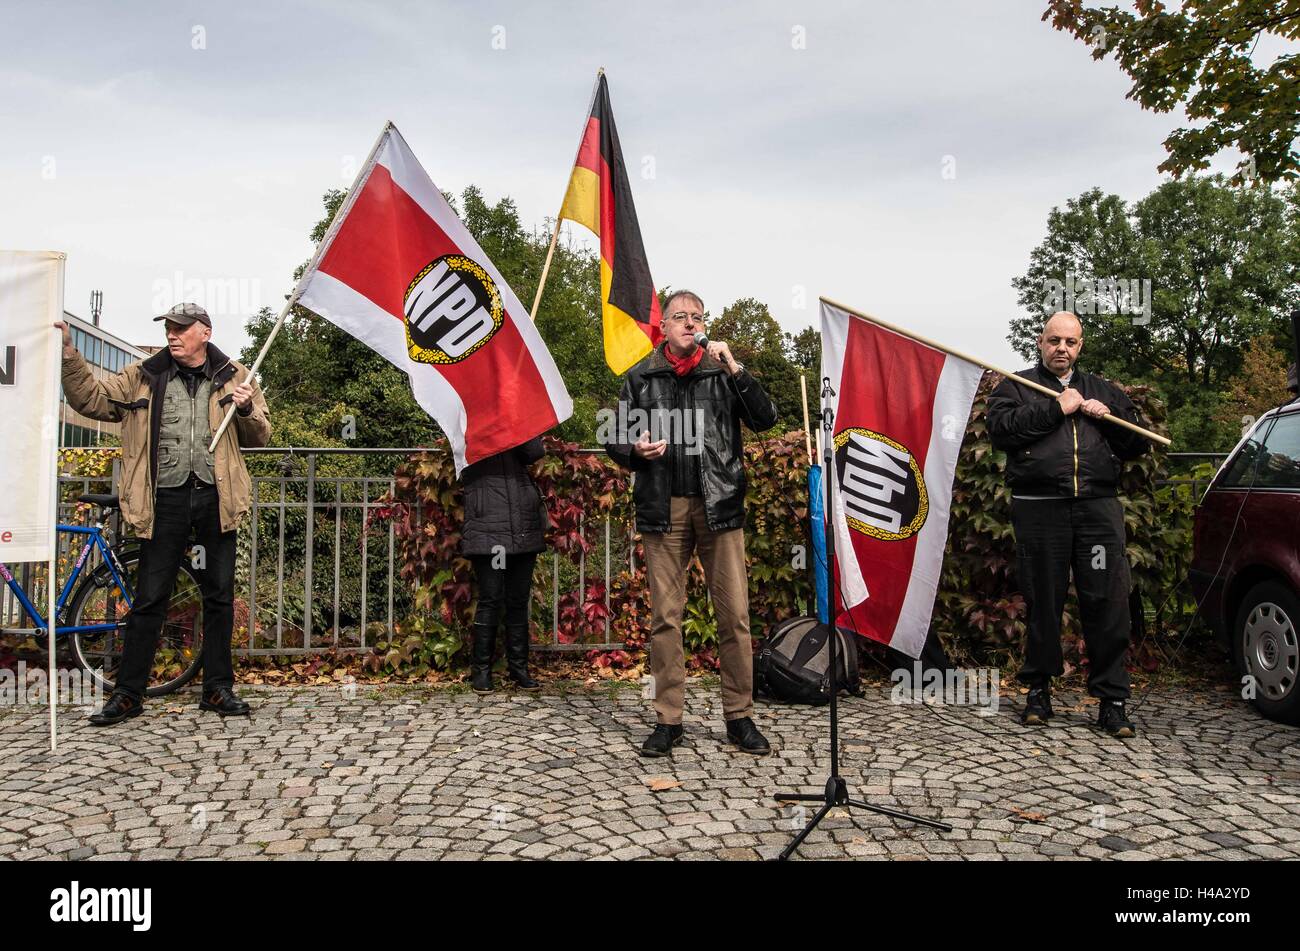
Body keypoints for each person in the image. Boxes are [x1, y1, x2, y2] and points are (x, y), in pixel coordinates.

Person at [56, 302, 270, 725]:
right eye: (169, 328)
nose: (173, 334)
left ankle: (217, 689)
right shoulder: (143, 375)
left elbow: (260, 436)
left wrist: (244, 409)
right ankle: (129, 694)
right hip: (162, 501)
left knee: (219, 596)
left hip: (215, 498)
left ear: (204, 332)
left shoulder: (236, 375)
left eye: (181, 328)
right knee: (150, 598)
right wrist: (68, 353)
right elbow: (92, 400)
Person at [603, 289, 779, 757]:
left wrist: (736, 369)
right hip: (664, 508)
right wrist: (633, 449)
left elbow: (765, 418)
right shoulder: (641, 376)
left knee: (735, 616)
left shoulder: (722, 373)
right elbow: (613, 438)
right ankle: (668, 720)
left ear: (704, 324)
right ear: (663, 326)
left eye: (696, 316)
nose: (688, 322)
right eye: (679, 316)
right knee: (666, 617)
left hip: (719, 506)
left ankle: (739, 717)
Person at [986, 311, 1150, 738]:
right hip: (1040, 510)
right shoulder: (1016, 386)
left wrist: (1110, 417)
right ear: (1040, 343)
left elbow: (1137, 446)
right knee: (1043, 601)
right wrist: (1055, 408)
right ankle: (1038, 692)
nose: (1062, 348)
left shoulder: (1103, 390)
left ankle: (1112, 701)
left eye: (1071, 342)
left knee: (1107, 602)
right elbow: (1002, 431)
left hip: (1097, 510)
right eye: (1054, 340)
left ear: (1080, 347)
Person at [459, 436, 548, 693]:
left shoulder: (518, 417)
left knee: (518, 599)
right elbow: (465, 454)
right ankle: (482, 670)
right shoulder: (468, 419)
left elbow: (534, 452)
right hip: (488, 523)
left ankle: (519, 668)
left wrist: (516, 423)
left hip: (523, 523)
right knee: (491, 598)